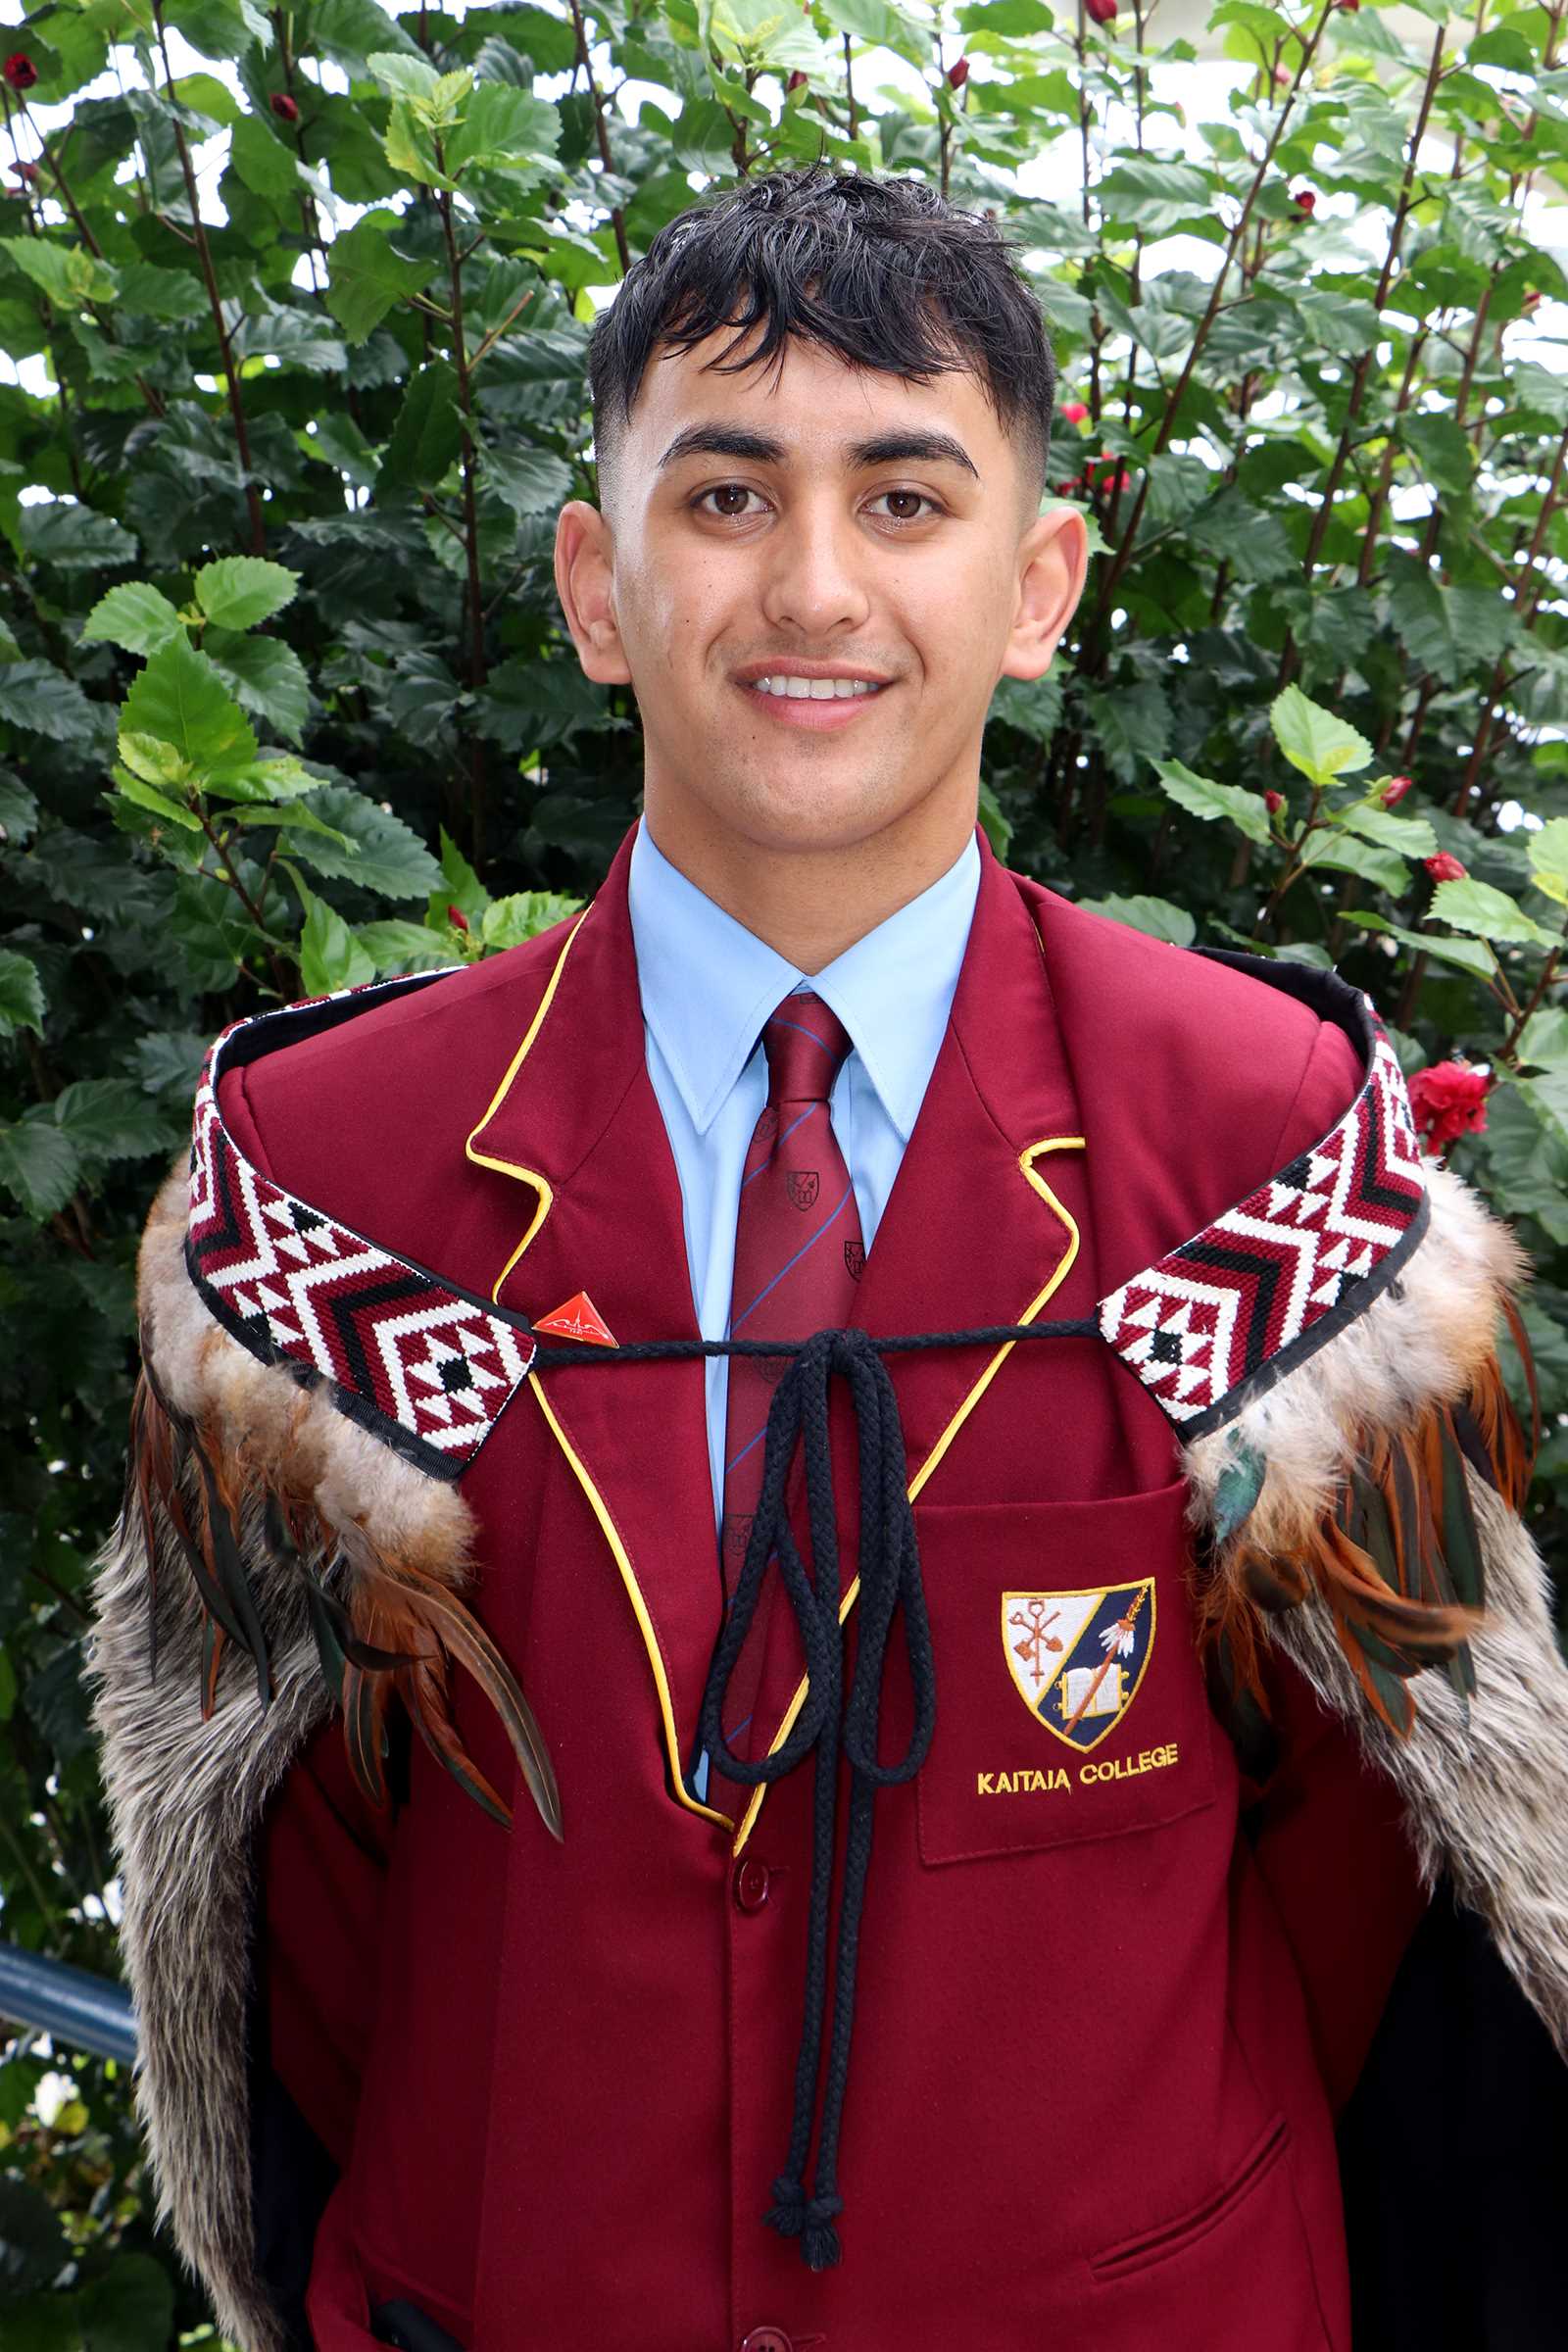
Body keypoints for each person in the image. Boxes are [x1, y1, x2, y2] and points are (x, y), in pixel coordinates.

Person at [86, 168, 1568, 2352]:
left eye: (903, 498)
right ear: (593, 585)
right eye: (722, 497)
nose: (809, 585)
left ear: (1036, 585)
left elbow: (1370, 1877)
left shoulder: (1259, 1148)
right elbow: (296, 1921)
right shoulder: (328, 1181)